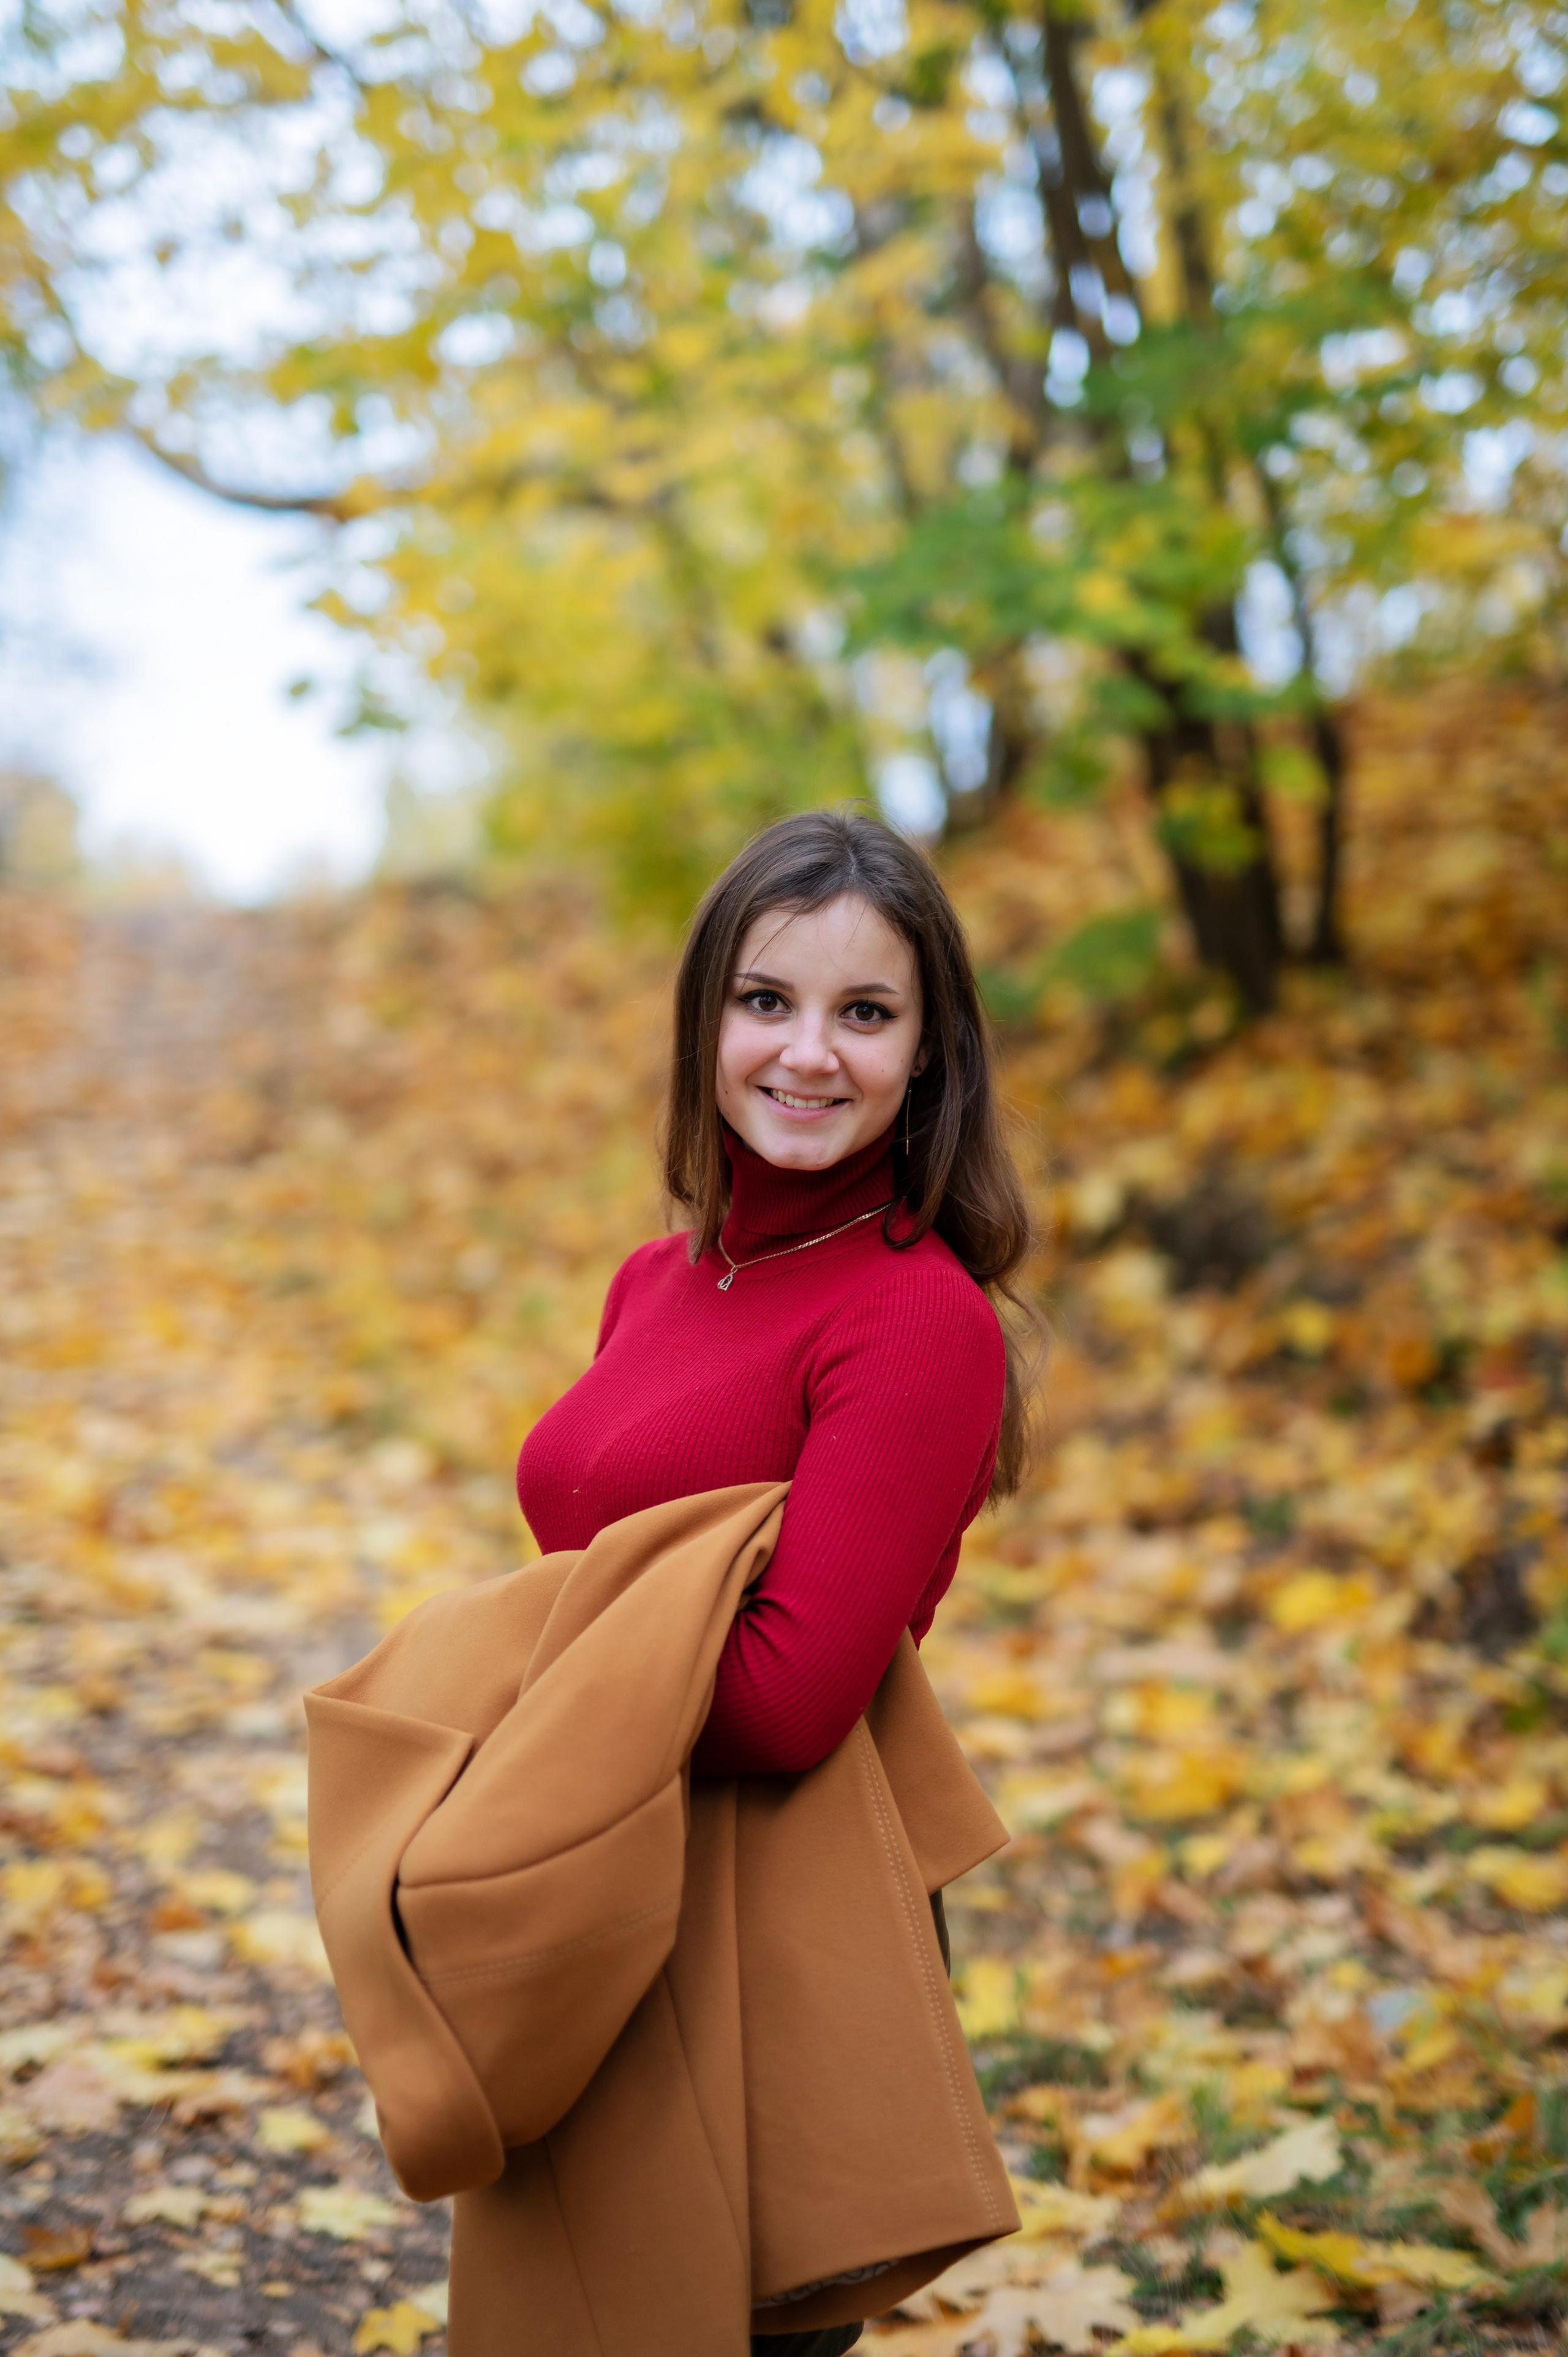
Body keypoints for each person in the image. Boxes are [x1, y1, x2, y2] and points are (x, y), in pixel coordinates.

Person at [516, 806, 1038, 2355]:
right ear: (707, 1023)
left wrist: (523, 1687)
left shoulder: (912, 1318)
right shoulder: (655, 1278)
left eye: (864, 1013)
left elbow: (786, 1697)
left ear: (928, 1055)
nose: (808, 1053)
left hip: (774, 1910)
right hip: (614, 1863)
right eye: (767, 1001)